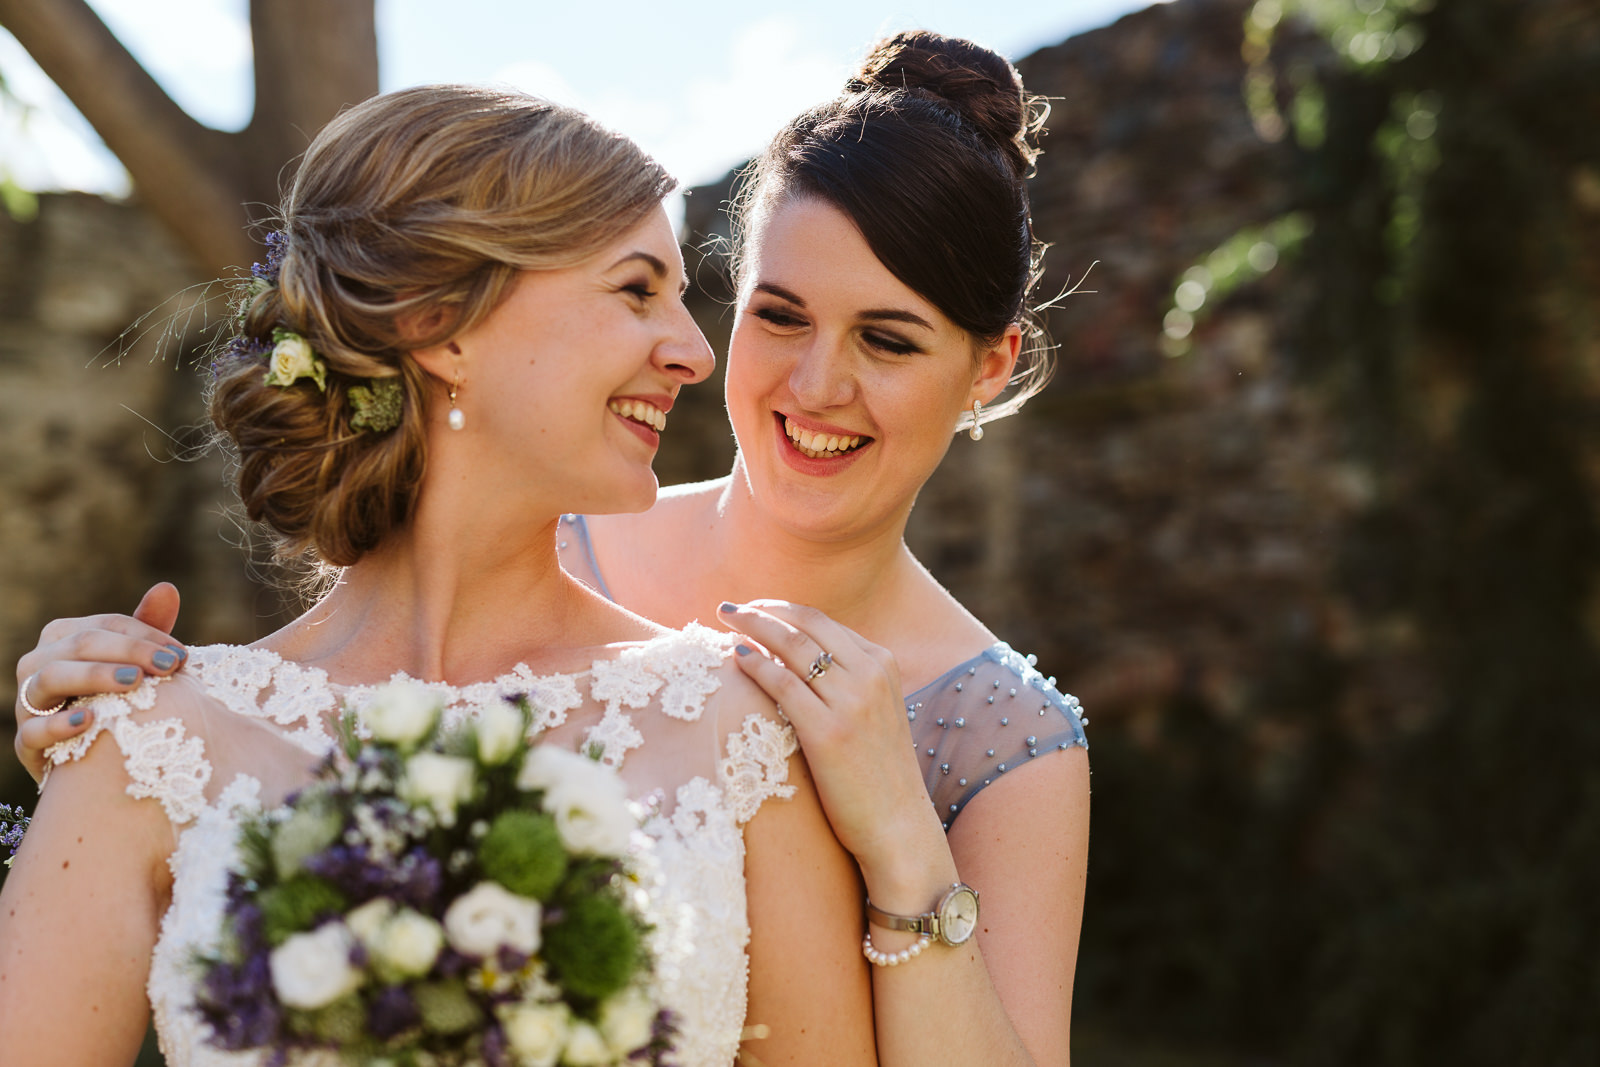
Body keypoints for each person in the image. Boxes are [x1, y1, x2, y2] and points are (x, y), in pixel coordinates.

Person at [15, 31, 1089, 1067]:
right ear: (441, 326)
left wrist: (904, 840)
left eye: (887, 339)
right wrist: (113, 760)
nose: (699, 353)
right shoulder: (151, 737)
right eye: (769, 314)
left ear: (989, 366)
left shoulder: (761, 731)